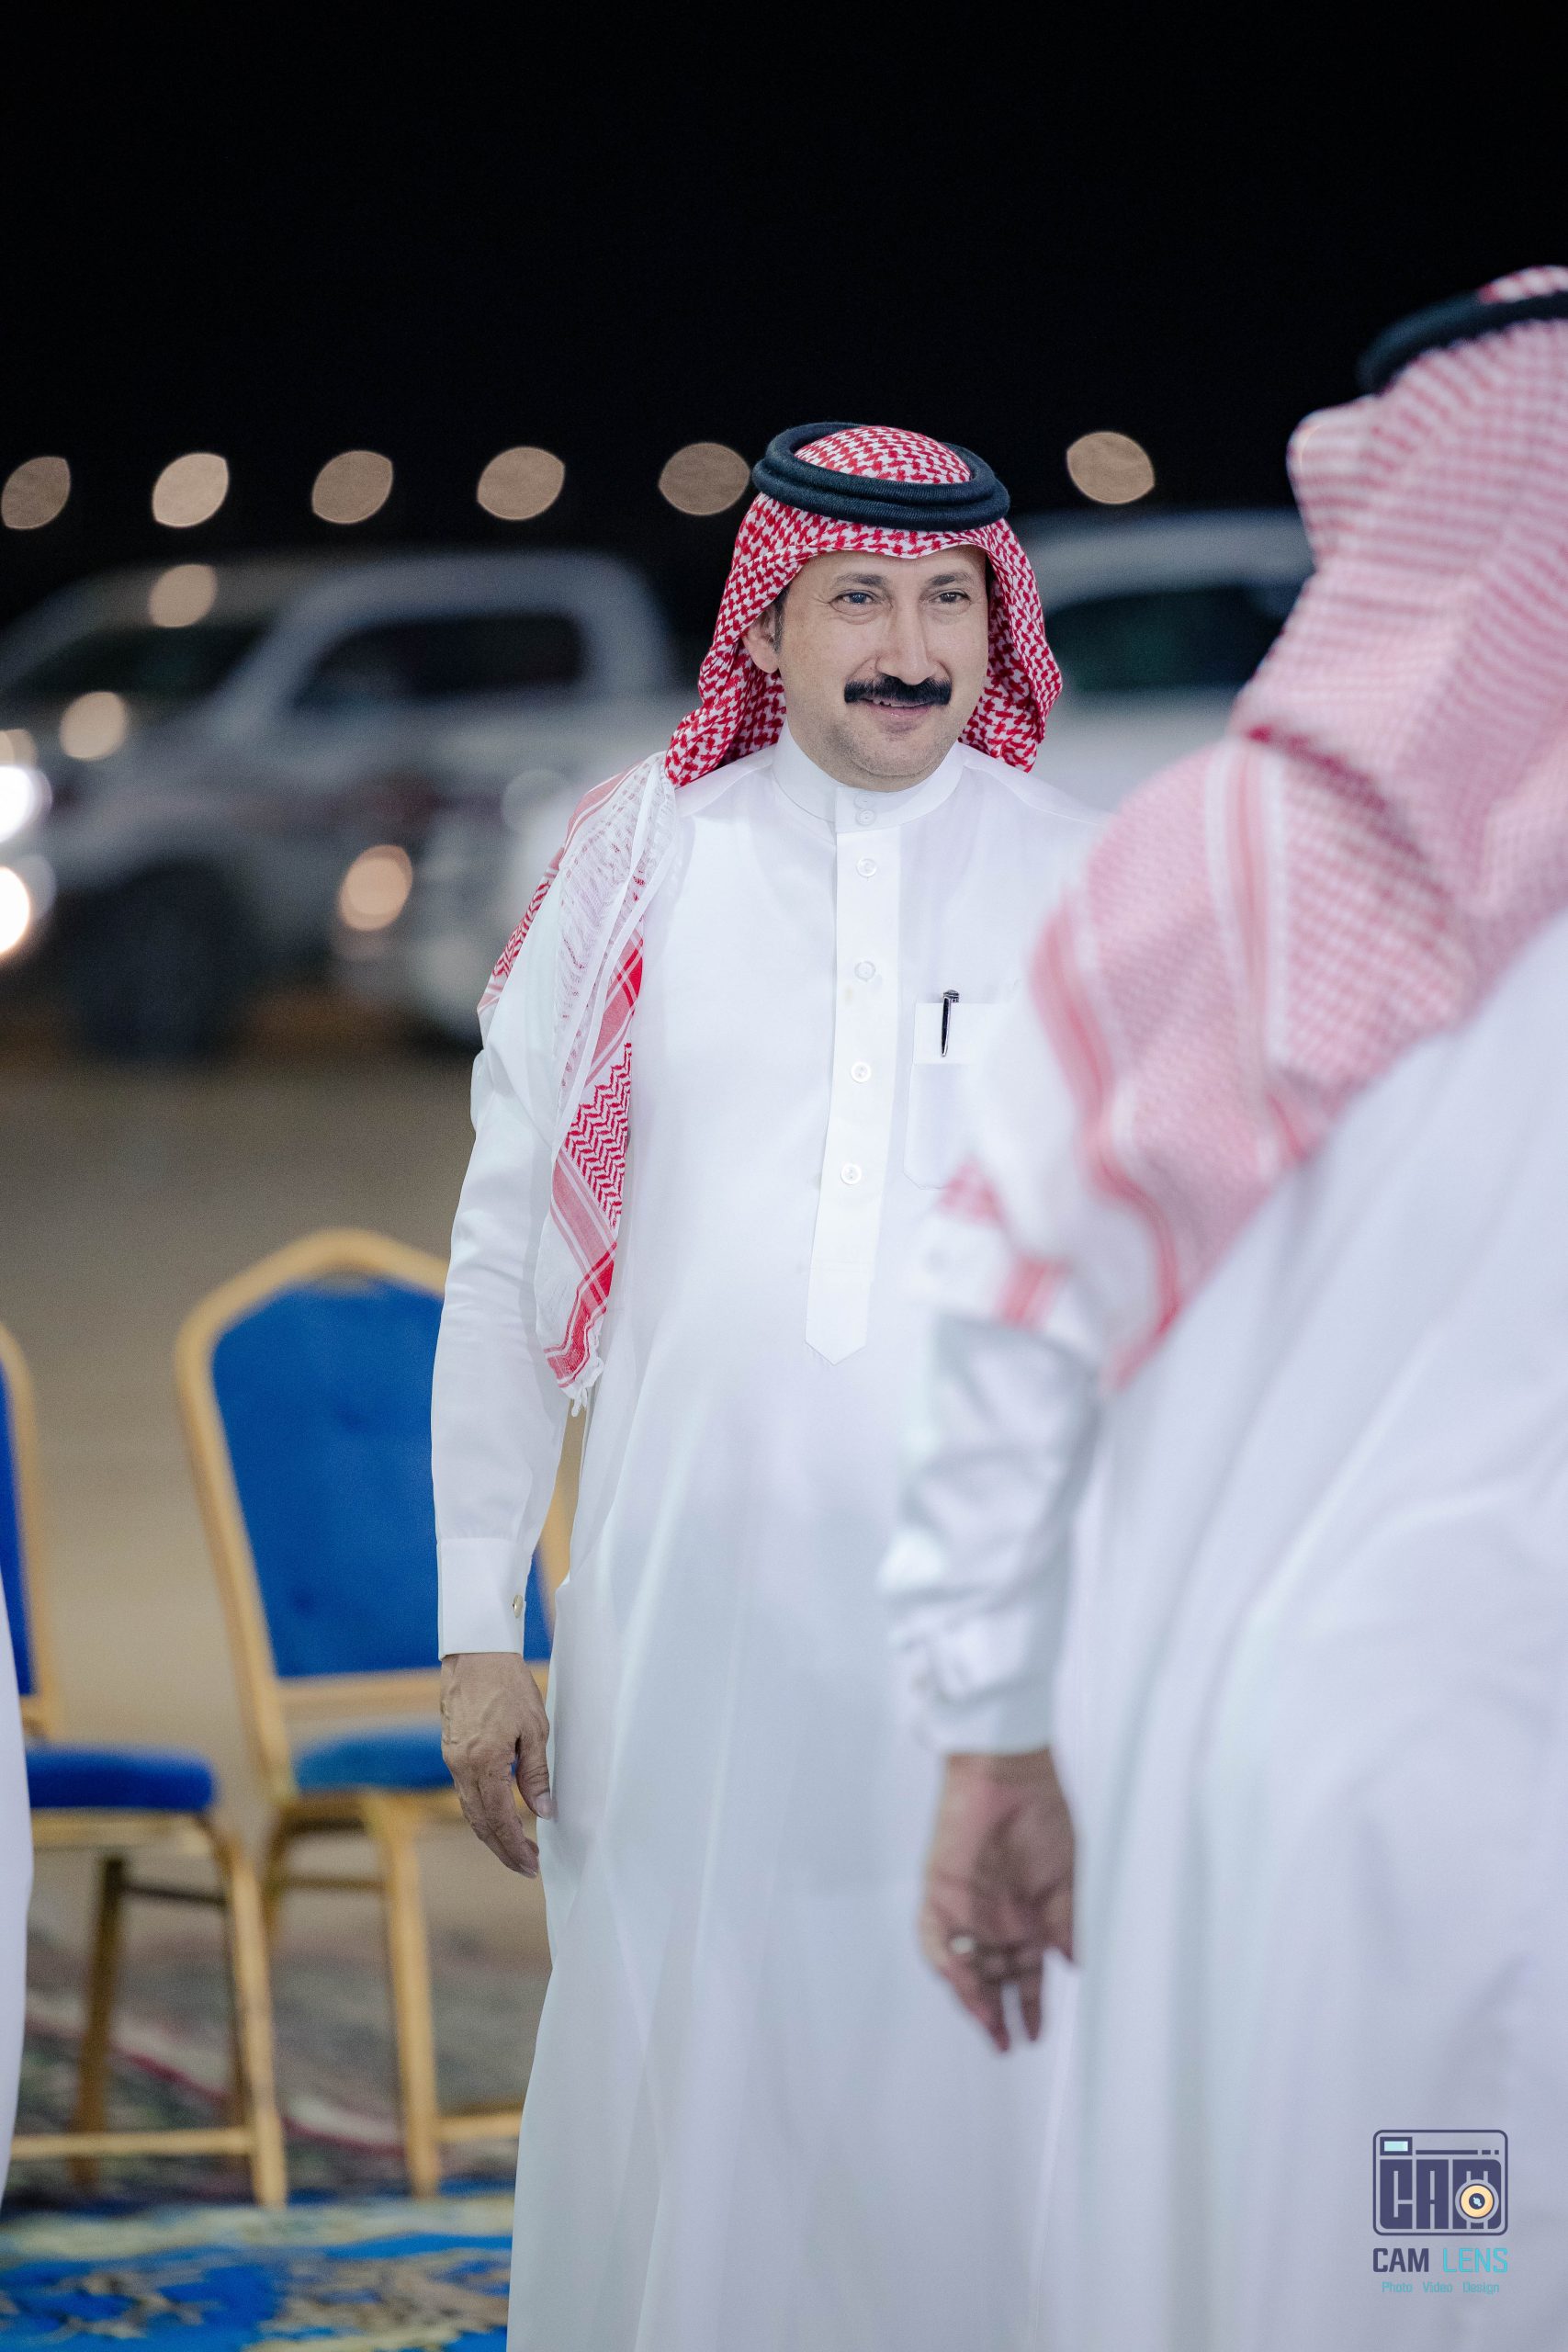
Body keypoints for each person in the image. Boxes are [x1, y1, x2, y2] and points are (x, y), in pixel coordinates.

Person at [881, 268, 1568, 2350]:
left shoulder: (1207, 864)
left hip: (1319, 1779)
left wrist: (988, 1739)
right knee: (1461, 2258)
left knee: (1366, 2267)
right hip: (1439, 1780)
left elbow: (1003, 1344)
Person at [432, 424, 1095, 2352]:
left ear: (999, 627)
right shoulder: (639, 861)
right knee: (682, 2073)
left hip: (994, 1653)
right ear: (769, 629)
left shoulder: (1085, 883)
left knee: (988, 2096)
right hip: (684, 1631)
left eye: (949, 600)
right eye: (857, 598)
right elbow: (503, 1254)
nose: (909, 648)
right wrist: (477, 1622)